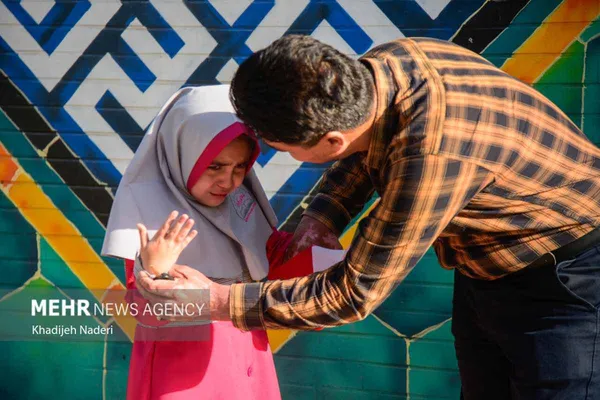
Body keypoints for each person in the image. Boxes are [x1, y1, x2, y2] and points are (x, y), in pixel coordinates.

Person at [136, 35, 600, 399]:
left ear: (331, 141)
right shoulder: (385, 68)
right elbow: (366, 145)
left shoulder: (429, 156)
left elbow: (351, 293)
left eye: (283, 149)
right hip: (487, 269)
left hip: (568, 281)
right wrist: (322, 217)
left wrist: (220, 302)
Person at [102, 85, 299, 400]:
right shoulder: (150, 213)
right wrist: (155, 271)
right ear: (182, 153)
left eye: (239, 167)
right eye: (215, 166)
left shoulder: (239, 201)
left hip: (247, 360)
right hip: (186, 377)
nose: (228, 181)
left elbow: (270, 255)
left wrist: (311, 245)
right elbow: (145, 313)